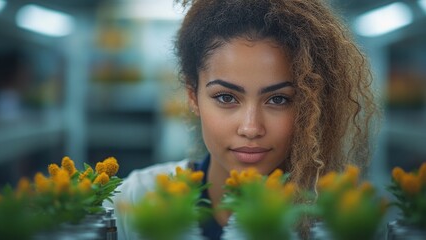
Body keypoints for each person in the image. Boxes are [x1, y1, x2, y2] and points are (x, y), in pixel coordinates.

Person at [104, 0, 378, 239]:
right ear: (192, 96)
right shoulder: (136, 201)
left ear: (310, 104)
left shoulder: (338, 222)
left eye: (278, 99)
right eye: (226, 97)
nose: (250, 127)